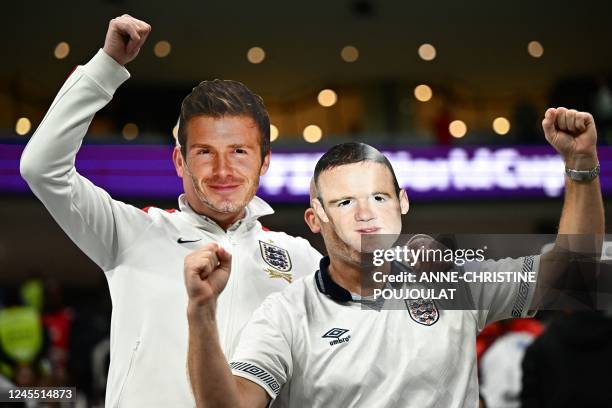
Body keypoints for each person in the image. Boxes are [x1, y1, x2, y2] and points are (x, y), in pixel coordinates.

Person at [184, 106, 604, 407]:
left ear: (402, 202)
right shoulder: (287, 314)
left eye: (379, 197)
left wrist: (581, 165)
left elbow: (574, 271)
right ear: (315, 219)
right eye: (345, 202)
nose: (367, 214)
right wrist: (201, 314)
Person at [19, 14, 321, 407]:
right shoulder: (130, 234)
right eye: (204, 153)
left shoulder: (300, 259)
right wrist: (106, 66)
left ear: (264, 162)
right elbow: (41, 168)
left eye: (239, 152)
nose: (223, 170)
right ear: (180, 162)